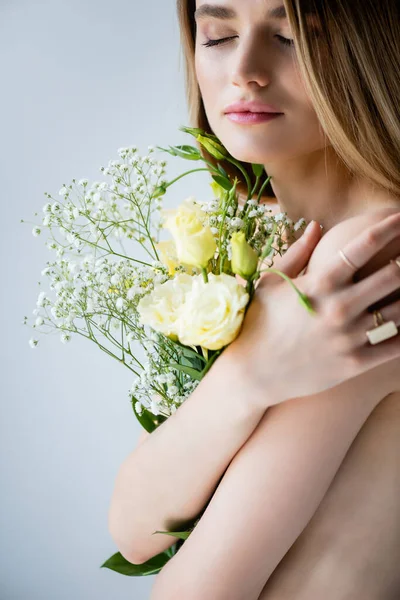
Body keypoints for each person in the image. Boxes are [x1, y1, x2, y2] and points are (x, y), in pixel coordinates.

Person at [108, 1, 400, 598]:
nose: (245, 69)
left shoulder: (368, 259)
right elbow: (136, 533)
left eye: (291, 38)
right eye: (218, 35)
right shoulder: (254, 237)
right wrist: (246, 375)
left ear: (371, 55)